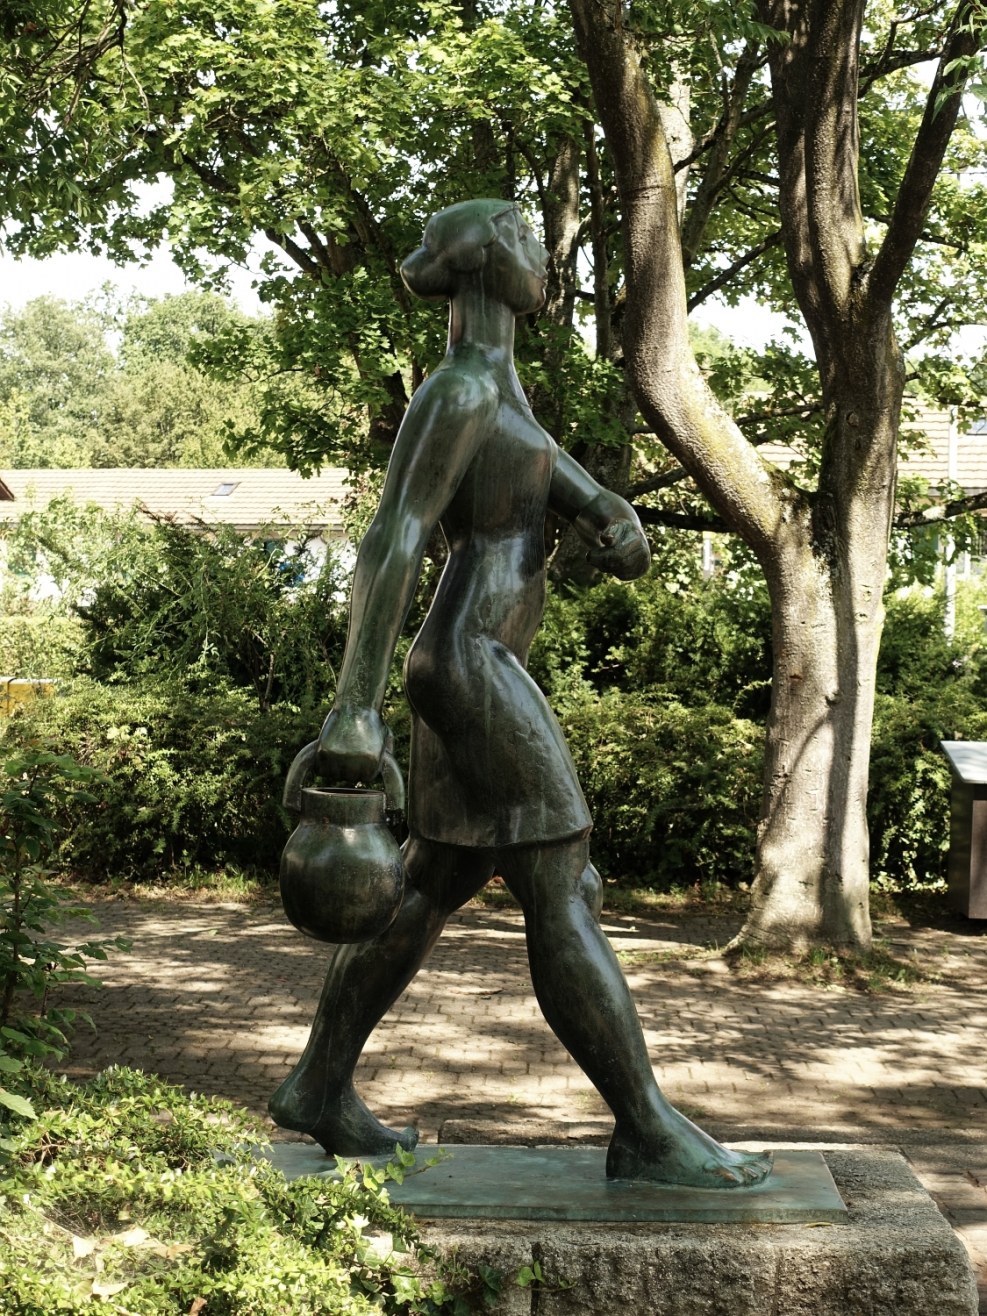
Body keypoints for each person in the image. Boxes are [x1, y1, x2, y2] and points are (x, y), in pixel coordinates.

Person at [270, 199, 772, 1188]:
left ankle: (319, 1086)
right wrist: (354, 706)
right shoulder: (456, 390)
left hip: (472, 661)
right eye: (529, 239)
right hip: (469, 664)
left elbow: (536, 463)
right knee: (560, 882)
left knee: (430, 883)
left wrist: (602, 504)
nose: (546, 253)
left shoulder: (497, 387)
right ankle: (647, 1127)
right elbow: (394, 535)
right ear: (484, 260)